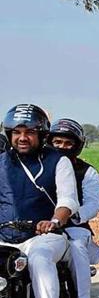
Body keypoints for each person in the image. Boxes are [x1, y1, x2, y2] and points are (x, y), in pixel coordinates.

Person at [0, 104, 80, 298]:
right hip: (4, 235)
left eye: (30, 132)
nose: (22, 137)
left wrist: (53, 222)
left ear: (42, 134)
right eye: (17, 132)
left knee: (40, 259)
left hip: (44, 237)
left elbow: (68, 200)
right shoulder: (1, 161)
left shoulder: (59, 161)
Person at [47, 118, 99, 298]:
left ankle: (83, 295)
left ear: (76, 146)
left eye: (67, 143)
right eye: (57, 142)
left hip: (74, 225)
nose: (61, 147)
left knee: (77, 248)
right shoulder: (39, 165)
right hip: (38, 224)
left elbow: (93, 203)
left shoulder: (87, 171)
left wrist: (74, 216)